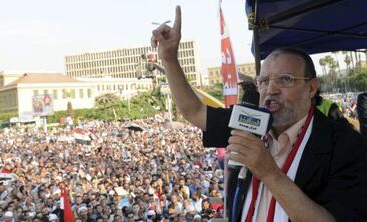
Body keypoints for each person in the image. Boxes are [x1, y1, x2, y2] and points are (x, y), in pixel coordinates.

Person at [151, 5, 367, 222]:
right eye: (263, 81)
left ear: (311, 88)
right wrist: (169, 59)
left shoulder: (344, 144)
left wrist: (269, 173)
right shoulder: (249, 121)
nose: (270, 90)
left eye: (285, 79)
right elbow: (193, 110)